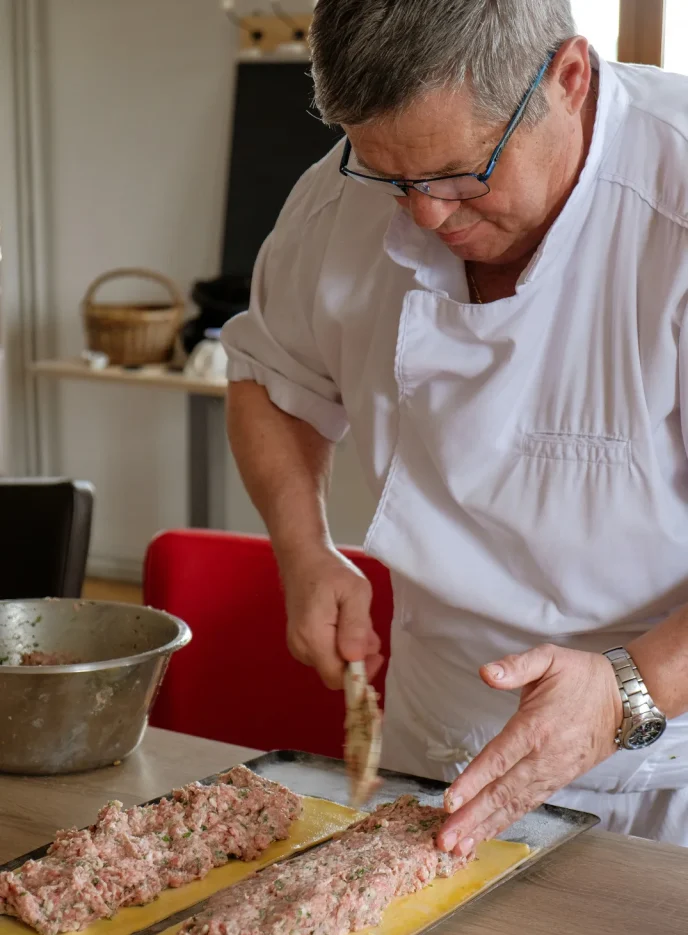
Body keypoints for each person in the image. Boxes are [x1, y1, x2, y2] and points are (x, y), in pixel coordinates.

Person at [223, 0, 688, 850]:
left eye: (459, 173)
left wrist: (631, 687)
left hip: (669, 762)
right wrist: (304, 547)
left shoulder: (677, 203)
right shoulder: (337, 204)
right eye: (392, 179)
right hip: (436, 734)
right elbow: (269, 377)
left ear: (569, 79)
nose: (427, 216)